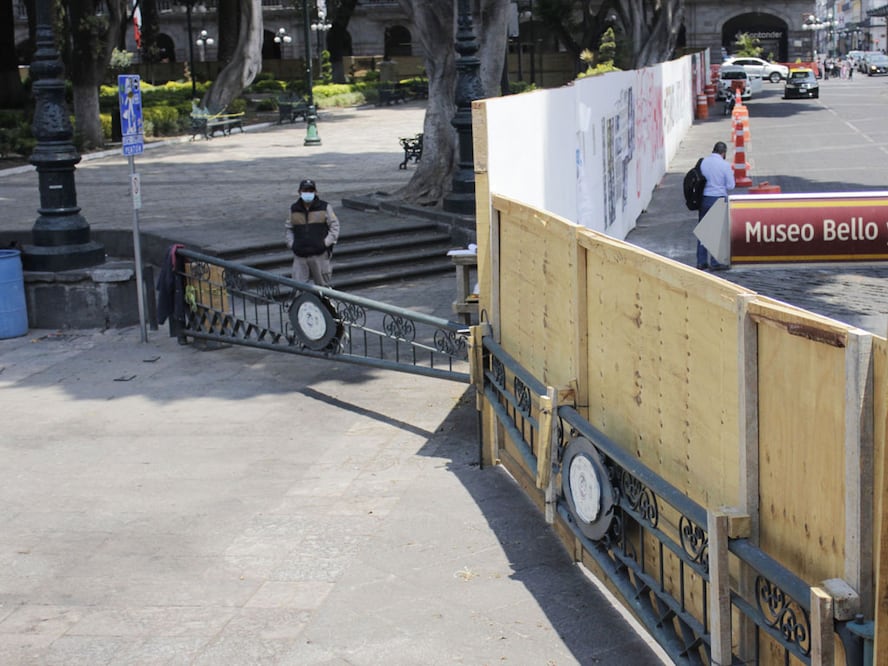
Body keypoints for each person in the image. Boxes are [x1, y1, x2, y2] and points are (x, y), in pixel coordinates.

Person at [286, 178, 340, 287]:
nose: (308, 193)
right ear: (299, 192)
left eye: (311, 191)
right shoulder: (294, 209)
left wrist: (325, 243)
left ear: (316, 192)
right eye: (305, 191)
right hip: (300, 255)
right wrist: (291, 244)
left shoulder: (325, 207)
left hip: (319, 254)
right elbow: (289, 228)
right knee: (298, 287)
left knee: (323, 288)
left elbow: (335, 226)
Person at [696, 141, 735, 270]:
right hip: (718, 199)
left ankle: (701, 261)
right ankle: (715, 262)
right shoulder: (724, 165)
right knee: (718, 233)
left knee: (703, 231)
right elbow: (731, 185)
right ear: (723, 153)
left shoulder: (703, 162)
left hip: (704, 199)